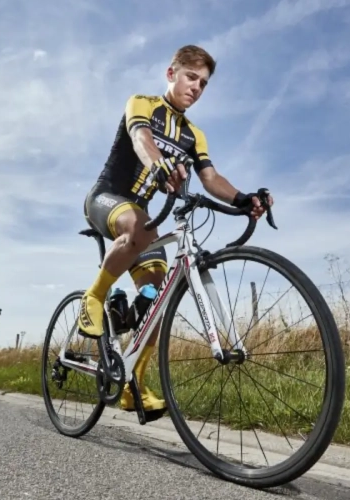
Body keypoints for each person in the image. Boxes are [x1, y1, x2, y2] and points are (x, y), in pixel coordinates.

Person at [79, 44, 274, 414]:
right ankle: (94, 297)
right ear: (172, 74)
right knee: (136, 224)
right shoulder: (142, 102)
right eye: (191, 77)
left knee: (156, 298)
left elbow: (211, 178)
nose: (196, 88)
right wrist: (159, 164)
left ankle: (131, 383)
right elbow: (141, 139)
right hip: (106, 199)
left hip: (145, 220)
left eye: (203, 84)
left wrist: (243, 199)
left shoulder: (194, 134)